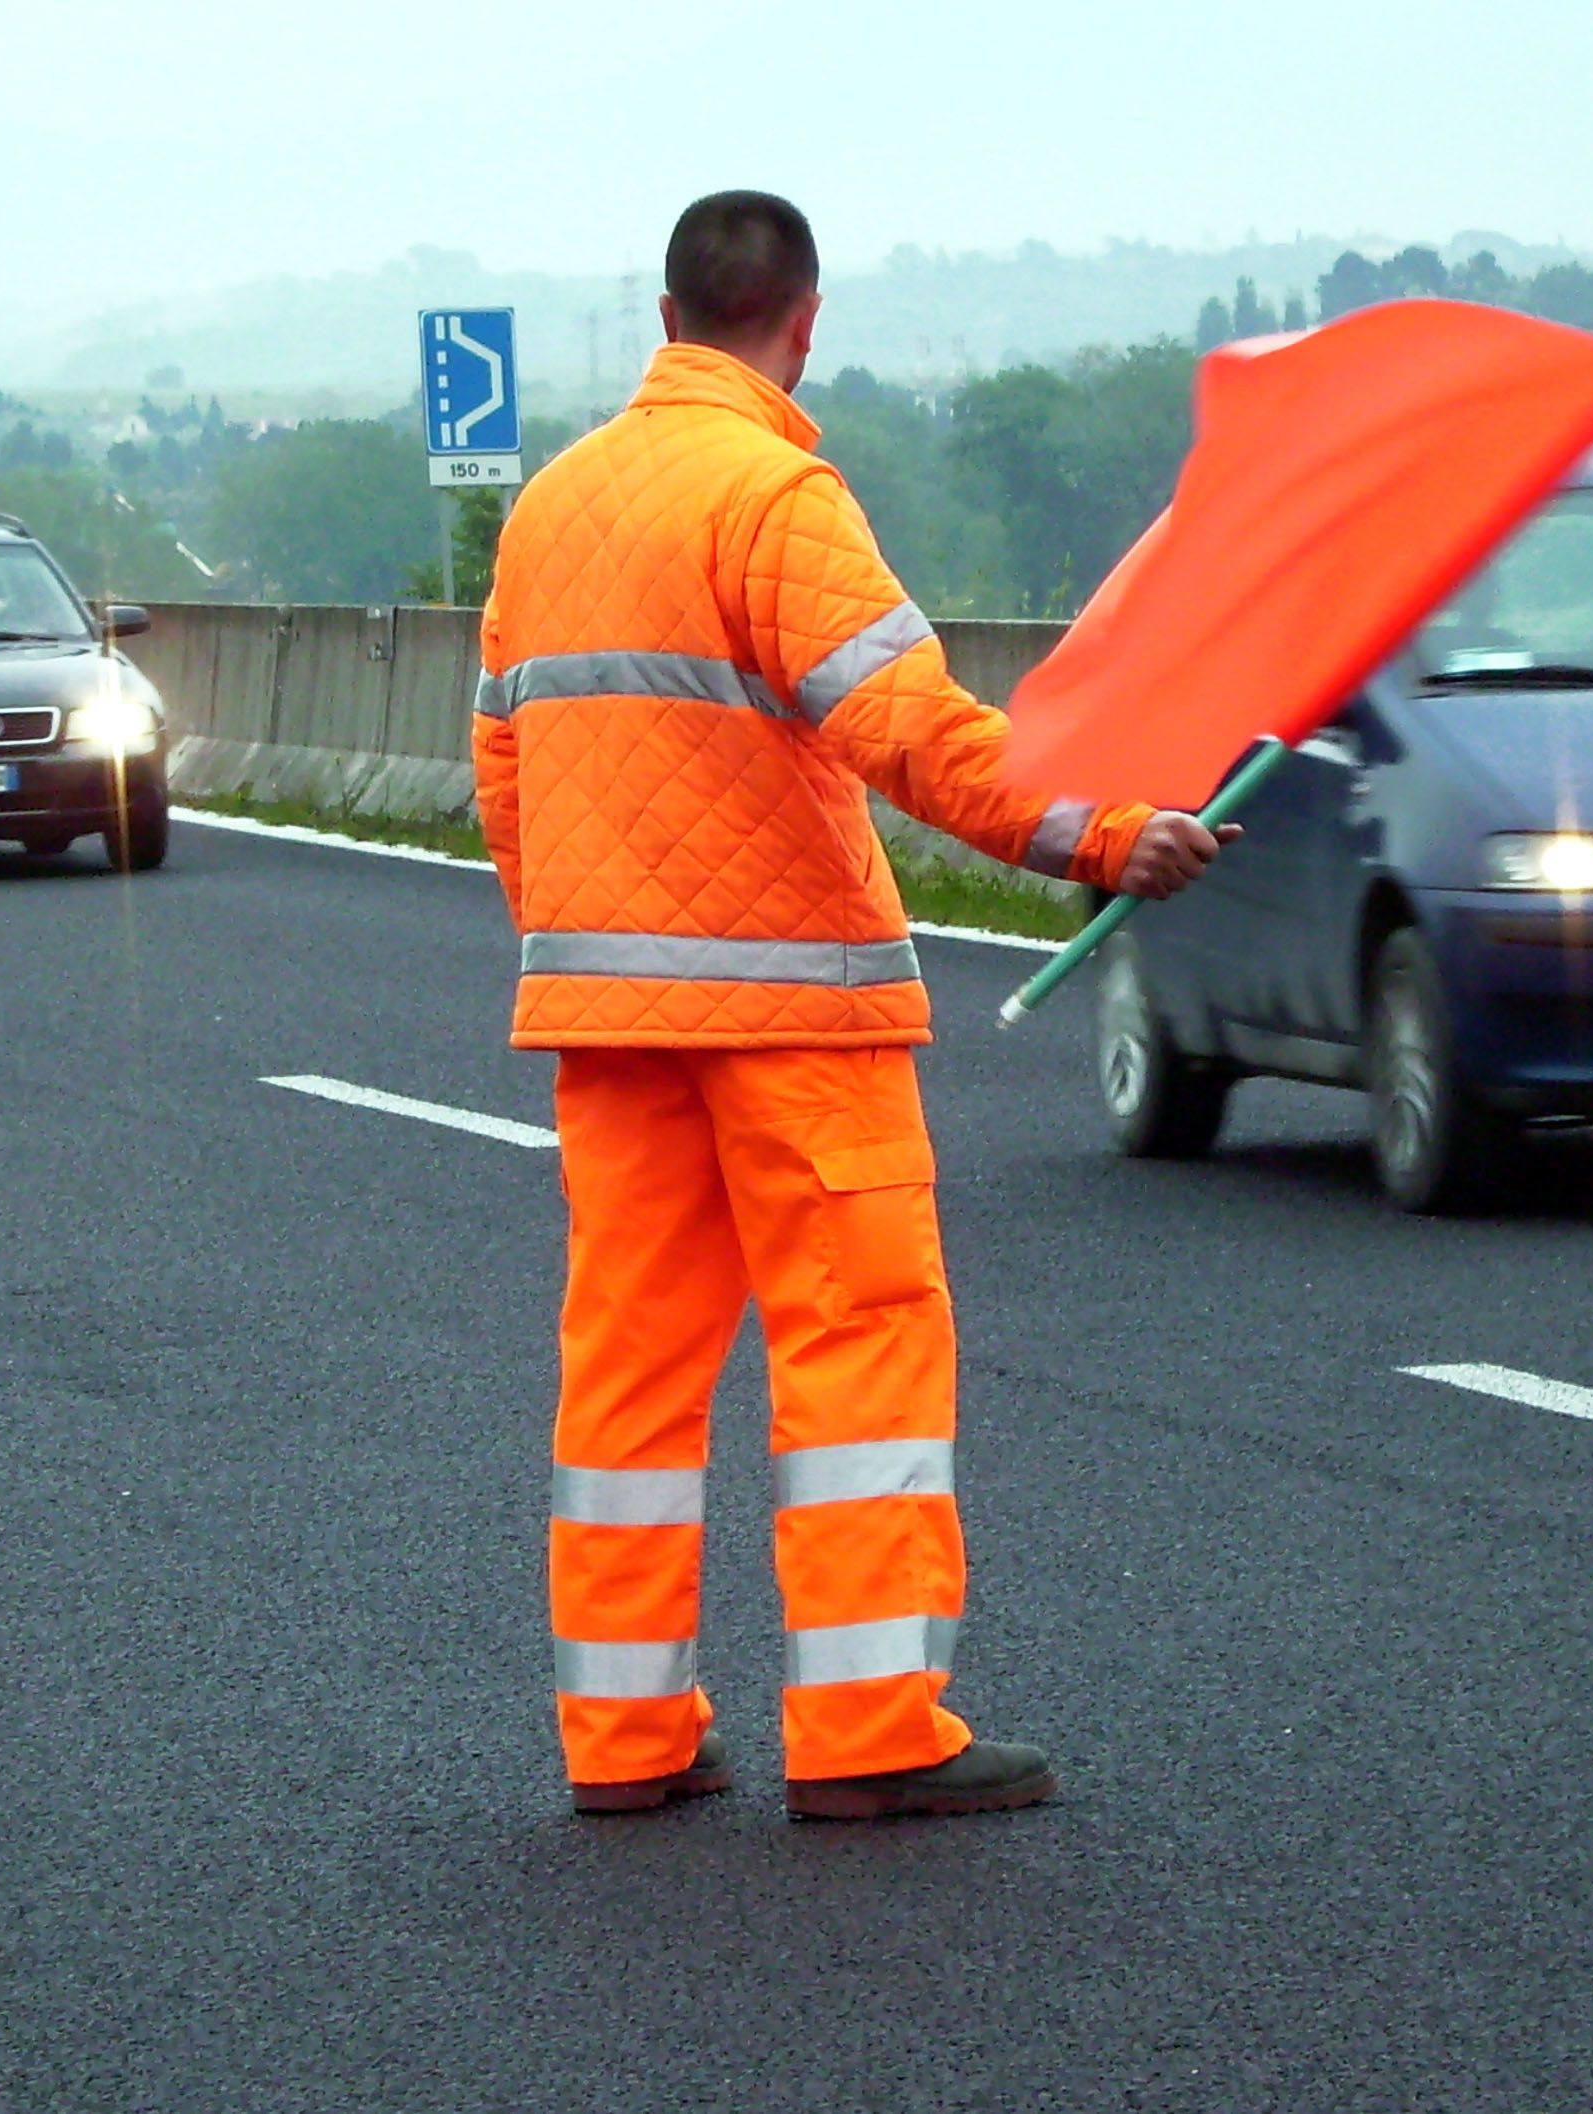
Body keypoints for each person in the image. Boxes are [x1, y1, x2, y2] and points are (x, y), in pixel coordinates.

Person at [472, 191, 1231, 1823]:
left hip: (611, 1019)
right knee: (857, 1353)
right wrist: (1098, 835)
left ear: (665, 311)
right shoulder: (773, 493)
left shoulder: (550, 507)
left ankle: (625, 1740)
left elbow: (501, 761)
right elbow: (912, 727)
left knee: (625, 1375)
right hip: (796, 1022)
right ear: (802, 323)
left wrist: (578, 937)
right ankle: (871, 1727)